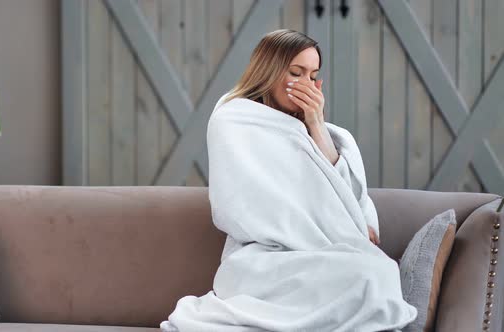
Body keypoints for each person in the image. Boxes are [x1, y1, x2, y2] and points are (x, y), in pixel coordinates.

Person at [160, 29, 416, 332]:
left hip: (324, 252)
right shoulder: (235, 119)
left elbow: (349, 195)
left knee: (378, 272)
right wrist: (312, 233)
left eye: (313, 75)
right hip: (262, 257)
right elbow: (242, 202)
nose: (306, 83)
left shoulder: (322, 132)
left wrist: (316, 124)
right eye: (296, 72)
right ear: (269, 71)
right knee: (365, 275)